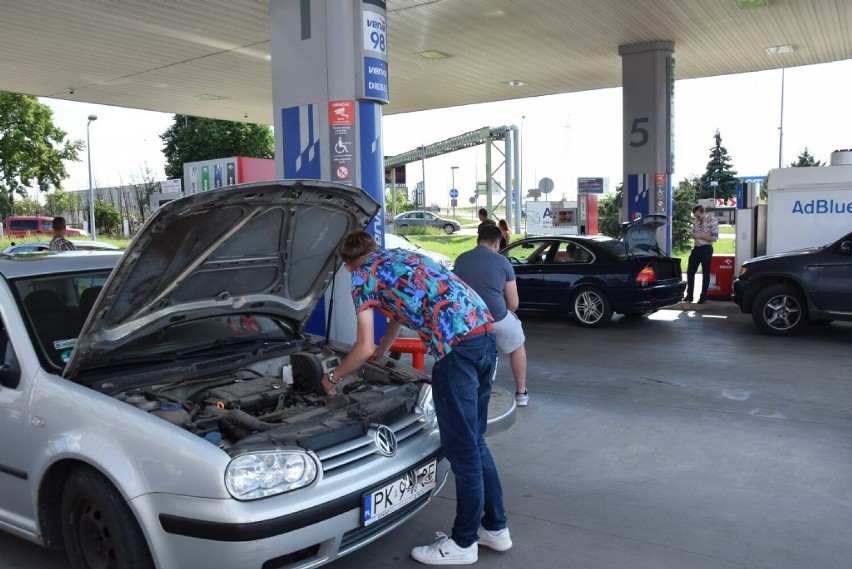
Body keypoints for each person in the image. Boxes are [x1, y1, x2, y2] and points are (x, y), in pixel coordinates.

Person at [326, 231, 511, 565]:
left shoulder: (362, 277)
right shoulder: (400, 258)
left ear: (348, 265)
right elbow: (399, 312)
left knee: (462, 451)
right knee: (476, 441)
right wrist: (384, 351)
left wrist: (334, 377)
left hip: (457, 349)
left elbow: (362, 346)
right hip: (484, 337)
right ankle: (495, 529)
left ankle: (463, 543)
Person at [455, 224, 528, 406]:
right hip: (496, 318)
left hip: (469, 321)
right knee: (517, 345)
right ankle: (521, 393)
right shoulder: (503, 262)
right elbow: (514, 303)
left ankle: (479, 386)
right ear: (497, 243)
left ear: (478, 239)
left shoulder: (461, 259)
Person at [684, 205, 719, 304]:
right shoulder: (696, 221)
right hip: (696, 249)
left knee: (705, 272)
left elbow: (714, 238)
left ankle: (703, 297)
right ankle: (689, 295)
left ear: (703, 212)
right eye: (695, 216)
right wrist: (692, 235)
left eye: (698, 216)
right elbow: (695, 235)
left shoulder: (713, 221)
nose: (697, 218)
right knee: (690, 271)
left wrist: (701, 236)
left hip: (706, 249)